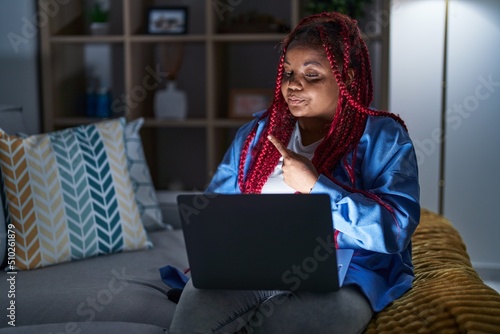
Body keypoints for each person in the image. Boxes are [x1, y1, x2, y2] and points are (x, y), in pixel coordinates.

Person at [169, 11, 420, 334]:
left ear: (350, 77)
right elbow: (215, 209)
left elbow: (394, 230)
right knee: (194, 315)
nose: (293, 85)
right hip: (250, 266)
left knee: (293, 324)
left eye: (312, 74)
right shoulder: (257, 134)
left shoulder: (384, 137)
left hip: (345, 271)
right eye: (288, 72)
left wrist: (316, 186)